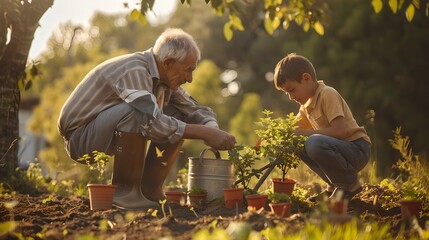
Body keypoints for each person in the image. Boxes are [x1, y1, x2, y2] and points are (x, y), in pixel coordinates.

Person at [58, 28, 237, 209]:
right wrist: (203, 132)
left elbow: (194, 109)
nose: (190, 79)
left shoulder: (164, 78)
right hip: (81, 137)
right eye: (188, 70)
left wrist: (213, 130)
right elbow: (152, 122)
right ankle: (125, 192)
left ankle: (150, 191)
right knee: (136, 110)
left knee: (180, 113)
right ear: (168, 63)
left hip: (103, 132)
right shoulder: (135, 70)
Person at [272, 53, 371, 201]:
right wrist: (273, 135)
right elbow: (291, 130)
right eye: (287, 93)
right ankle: (334, 185)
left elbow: (340, 131)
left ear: (306, 78)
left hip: (356, 149)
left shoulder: (327, 94)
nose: (291, 97)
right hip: (341, 151)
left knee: (313, 142)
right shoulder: (306, 107)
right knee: (296, 143)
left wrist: (306, 134)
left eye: (292, 90)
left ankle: (349, 184)